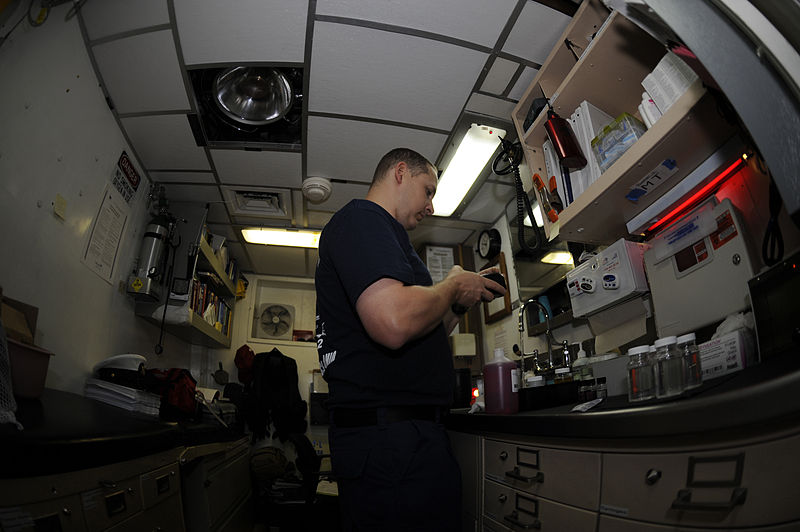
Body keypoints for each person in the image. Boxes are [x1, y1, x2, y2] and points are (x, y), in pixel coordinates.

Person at [315, 147, 506, 530]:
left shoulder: (391, 244)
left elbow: (420, 331)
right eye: (428, 190)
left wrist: (457, 303)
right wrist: (451, 286)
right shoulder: (364, 219)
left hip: (400, 436)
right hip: (391, 441)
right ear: (400, 173)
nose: (431, 206)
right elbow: (393, 322)